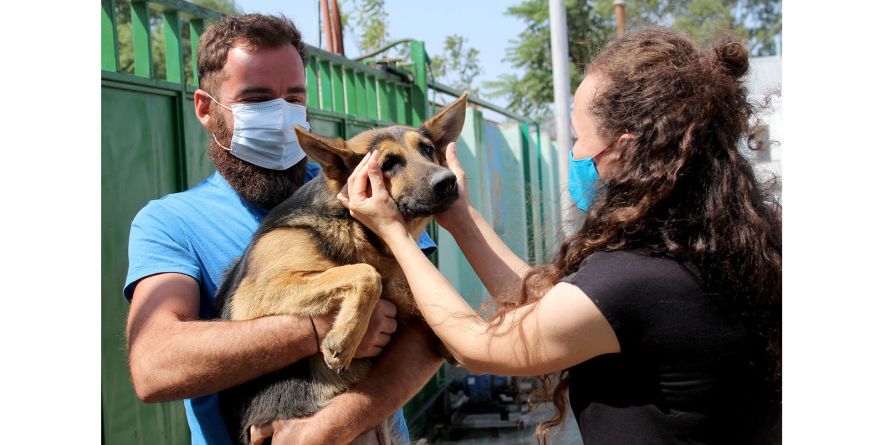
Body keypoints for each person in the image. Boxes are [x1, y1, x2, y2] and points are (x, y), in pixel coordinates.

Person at [340, 27, 781, 444]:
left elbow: (478, 346)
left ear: (623, 151)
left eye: (577, 137)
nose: (573, 152)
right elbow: (545, 305)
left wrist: (395, 232)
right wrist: (460, 218)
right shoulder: (706, 245)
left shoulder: (640, 278)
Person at [123, 14, 442, 445]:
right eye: (256, 99)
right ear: (205, 108)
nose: (279, 116)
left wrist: (332, 424)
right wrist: (318, 328)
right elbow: (155, 366)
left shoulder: (366, 191)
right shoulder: (172, 222)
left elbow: (432, 332)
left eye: (293, 97)